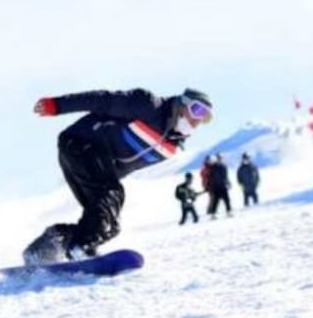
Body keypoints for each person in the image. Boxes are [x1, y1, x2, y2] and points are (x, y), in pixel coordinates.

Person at [23, 87, 213, 264]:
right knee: (109, 197)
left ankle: (47, 247)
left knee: (107, 223)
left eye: (205, 118)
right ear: (182, 103)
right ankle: (80, 248)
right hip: (81, 142)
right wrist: (57, 105)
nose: (198, 120)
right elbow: (101, 100)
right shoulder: (149, 105)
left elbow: (125, 167)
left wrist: (107, 191)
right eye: (197, 110)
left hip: (93, 162)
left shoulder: (170, 147)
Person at [207, 153, 232, 218]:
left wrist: (228, 183)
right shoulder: (213, 167)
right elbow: (210, 177)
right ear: (216, 159)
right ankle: (213, 214)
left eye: (220, 158)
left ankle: (229, 212)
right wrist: (210, 185)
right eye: (218, 158)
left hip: (223, 186)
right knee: (216, 201)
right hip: (216, 187)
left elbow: (225, 176)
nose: (219, 159)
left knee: (227, 200)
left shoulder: (224, 166)